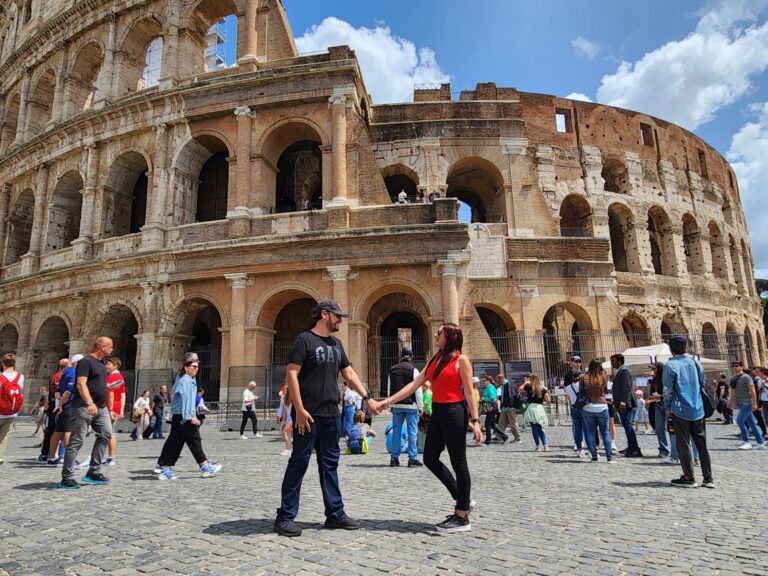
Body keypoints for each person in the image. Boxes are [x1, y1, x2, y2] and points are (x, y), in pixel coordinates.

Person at [274, 299, 376, 537]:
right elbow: (292, 374)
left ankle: (335, 513)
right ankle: (284, 516)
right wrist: (298, 409)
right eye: (337, 316)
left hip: (332, 414)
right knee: (299, 463)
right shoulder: (303, 341)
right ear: (324, 314)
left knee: (330, 464)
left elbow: (349, 373)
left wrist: (368, 397)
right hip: (308, 415)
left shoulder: (336, 343)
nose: (340, 320)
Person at [375, 322, 482, 533]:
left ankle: (462, 518)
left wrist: (476, 421)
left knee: (458, 462)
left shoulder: (462, 360)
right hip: (438, 412)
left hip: (454, 412)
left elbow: (469, 393)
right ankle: (462, 499)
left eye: (440, 332)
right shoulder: (435, 359)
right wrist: (388, 401)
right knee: (429, 458)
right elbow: (414, 385)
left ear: (449, 336)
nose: (436, 334)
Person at [59, 337, 114, 489]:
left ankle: (93, 471)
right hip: (84, 406)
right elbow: (81, 384)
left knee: (106, 434)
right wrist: (90, 402)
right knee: (77, 441)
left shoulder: (102, 363)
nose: (112, 349)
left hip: (101, 408)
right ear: (102, 347)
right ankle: (67, 477)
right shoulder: (86, 362)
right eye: (110, 346)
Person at [155, 358, 222, 480]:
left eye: (197, 367)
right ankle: (205, 466)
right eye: (193, 366)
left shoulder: (189, 380)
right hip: (183, 416)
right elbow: (186, 400)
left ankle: (165, 469)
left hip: (179, 416)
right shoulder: (186, 381)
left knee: (175, 443)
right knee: (194, 440)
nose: (196, 369)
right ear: (186, 368)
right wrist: (190, 417)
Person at [662, 335, 714, 487]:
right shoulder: (695, 362)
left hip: (680, 409)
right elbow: (702, 381)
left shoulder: (670, 366)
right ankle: (708, 478)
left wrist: (667, 407)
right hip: (698, 408)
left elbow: (668, 390)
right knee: (701, 444)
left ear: (671, 348)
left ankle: (689, 476)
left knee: (684, 444)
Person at [386, 347, 423, 467]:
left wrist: (389, 402)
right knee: (412, 432)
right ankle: (412, 458)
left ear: (401, 356)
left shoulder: (392, 369)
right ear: (411, 356)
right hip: (411, 405)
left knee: (396, 431)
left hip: (397, 404)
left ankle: (394, 458)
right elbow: (417, 390)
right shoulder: (414, 370)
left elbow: (389, 388)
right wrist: (420, 406)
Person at [47, 355, 82, 465]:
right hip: (70, 406)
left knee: (57, 432)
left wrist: (60, 402)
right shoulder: (75, 372)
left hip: (64, 406)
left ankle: (51, 457)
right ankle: (69, 460)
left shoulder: (65, 372)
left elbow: (57, 391)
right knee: (68, 432)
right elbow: (68, 391)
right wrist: (61, 404)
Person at [582, 360, 615, 463]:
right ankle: (609, 457)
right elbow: (605, 391)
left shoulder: (584, 377)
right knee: (605, 431)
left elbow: (581, 391)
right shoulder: (603, 376)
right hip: (601, 405)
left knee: (590, 432)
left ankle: (594, 456)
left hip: (588, 406)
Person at [37, 358, 69, 464]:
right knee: (56, 431)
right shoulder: (60, 376)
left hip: (54, 407)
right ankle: (52, 455)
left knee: (53, 431)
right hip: (57, 408)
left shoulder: (57, 375)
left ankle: (47, 454)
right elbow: (58, 394)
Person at [728, 360, 765, 450]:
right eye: (733, 365)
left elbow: (752, 391)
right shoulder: (733, 378)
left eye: (737, 365)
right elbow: (732, 392)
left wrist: (754, 403)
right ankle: (760, 443)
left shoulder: (746, 377)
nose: (735, 367)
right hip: (740, 403)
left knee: (739, 421)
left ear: (742, 366)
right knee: (752, 424)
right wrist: (730, 402)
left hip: (747, 402)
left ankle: (746, 441)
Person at [611, 354, 642, 457]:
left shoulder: (624, 371)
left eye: (613, 361)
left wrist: (623, 402)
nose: (612, 363)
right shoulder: (621, 371)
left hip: (625, 404)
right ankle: (631, 446)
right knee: (626, 426)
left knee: (628, 426)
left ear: (619, 361)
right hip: (622, 404)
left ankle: (635, 449)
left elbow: (626, 388)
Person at [0, 353, 25, 465]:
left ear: (2, 363)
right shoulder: (20, 377)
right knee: (4, 436)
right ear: (15, 363)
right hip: (12, 412)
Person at [518, 374, 550, 451]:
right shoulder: (543, 388)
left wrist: (526, 382)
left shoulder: (529, 387)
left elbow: (519, 389)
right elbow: (548, 400)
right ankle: (545, 445)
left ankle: (538, 446)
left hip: (531, 407)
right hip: (539, 408)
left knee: (534, 428)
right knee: (540, 428)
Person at [645, 362, 670, 457]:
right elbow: (652, 393)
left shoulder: (666, 379)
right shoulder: (654, 381)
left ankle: (676, 451)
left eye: (654, 369)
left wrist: (661, 396)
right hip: (657, 404)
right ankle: (663, 449)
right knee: (659, 428)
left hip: (667, 404)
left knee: (672, 428)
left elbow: (670, 392)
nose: (652, 371)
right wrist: (650, 399)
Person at [104, 357, 125, 465]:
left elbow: (111, 394)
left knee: (108, 433)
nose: (106, 366)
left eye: (109, 364)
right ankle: (110, 457)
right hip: (116, 407)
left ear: (115, 366)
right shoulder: (120, 377)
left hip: (110, 408)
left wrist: (111, 409)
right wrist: (121, 409)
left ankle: (110, 457)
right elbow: (122, 395)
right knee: (110, 432)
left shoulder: (112, 377)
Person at [564, 356, 584, 453]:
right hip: (574, 403)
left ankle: (582, 441)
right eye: (576, 361)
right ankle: (577, 442)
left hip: (584, 403)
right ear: (571, 363)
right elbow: (566, 389)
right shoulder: (568, 375)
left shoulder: (584, 373)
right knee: (575, 424)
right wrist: (570, 401)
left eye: (579, 361)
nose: (578, 363)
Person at [481, 375, 507, 446]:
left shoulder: (491, 388)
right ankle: (504, 436)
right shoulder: (488, 387)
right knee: (492, 425)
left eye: (484, 381)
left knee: (487, 425)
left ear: (488, 381)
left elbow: (493, 398)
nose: (484, 382)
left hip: (491, 408)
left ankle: (487, 441)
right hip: (489, 408)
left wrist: (484, 399)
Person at [497, 374, 522, 443]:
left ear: (501, 378)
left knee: (513, 423)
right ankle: (499, 436)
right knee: (501, 423)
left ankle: (517, 438)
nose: (497, 381)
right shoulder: (503, 385)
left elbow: (511, 396)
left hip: (509, 407)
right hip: (504, 407)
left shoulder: (508, 385)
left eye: (498, 380)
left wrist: (509, 405)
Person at [277, 384, 293, 456]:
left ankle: (288, 449)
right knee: (289, 434)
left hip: (294, 418)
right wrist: (283, 422)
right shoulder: (284, 398)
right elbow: (285, 413)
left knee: (285, 432)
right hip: (289, 418)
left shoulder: (294, 398)